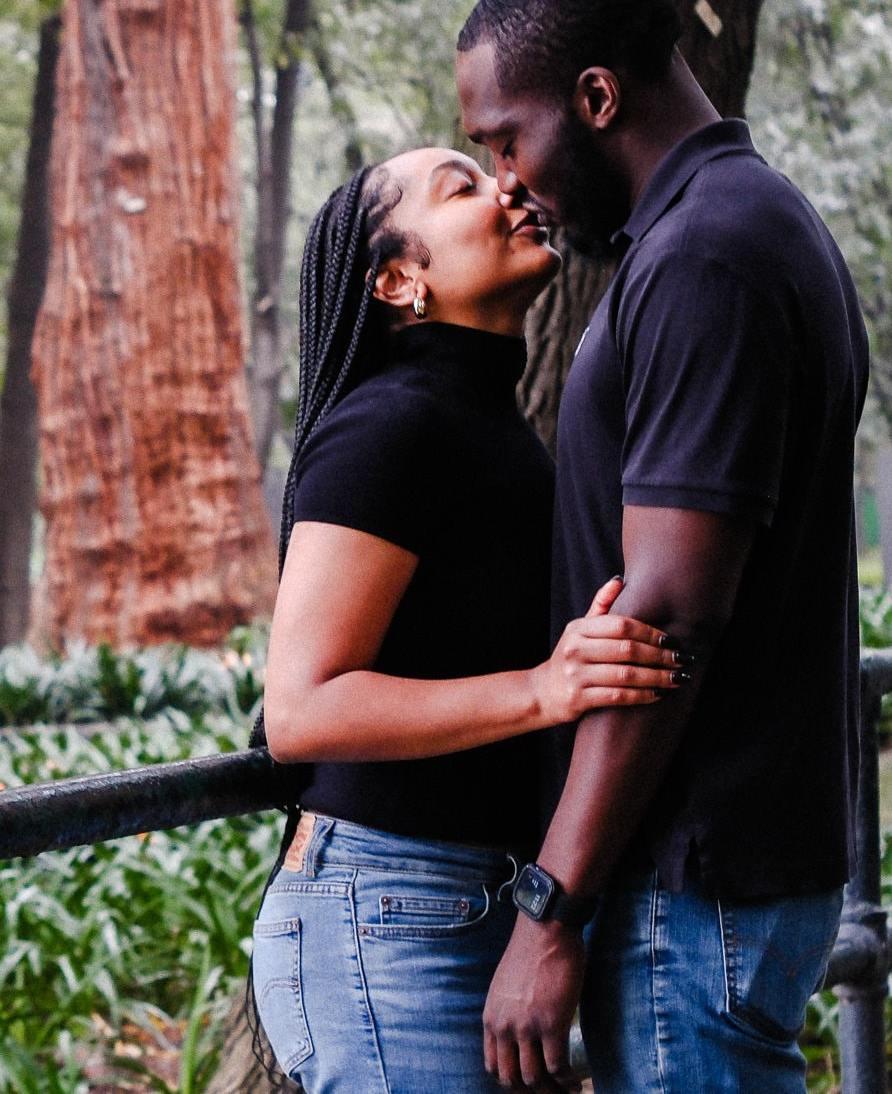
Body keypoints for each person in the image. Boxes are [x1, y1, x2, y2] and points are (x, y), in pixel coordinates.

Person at [454, 0, 868, 1094]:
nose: (503, 179)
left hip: (691, 875)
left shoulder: (705, 258)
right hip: (705, 871)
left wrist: (549, 905)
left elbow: (670, 611)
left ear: (594, 97)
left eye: (505, 138)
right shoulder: (729, 228)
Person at [249, 147, 684, 1093]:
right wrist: (542, 690)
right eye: (463, 186)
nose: (509, 188)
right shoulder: (387, 427)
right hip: (386, 918)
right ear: (401, 278)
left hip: (476, 899)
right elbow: (300, 709)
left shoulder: (487, 424)